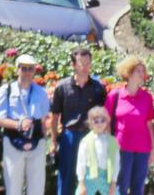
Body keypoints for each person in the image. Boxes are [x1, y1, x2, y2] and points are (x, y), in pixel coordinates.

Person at [0, 54, 51, 195]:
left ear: (34, 71)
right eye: (24, 69)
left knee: (37, 188)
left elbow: (43, 119)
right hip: (13, 140)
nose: (27, 72)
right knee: (13, 188)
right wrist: (18, 124)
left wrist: (44, 140)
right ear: (17, 70)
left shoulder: (41, 92)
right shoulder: (6, 90)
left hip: (36, 141)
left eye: (31, 69)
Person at [51, 47, 107, 195]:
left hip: (91, 136)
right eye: (82, 63)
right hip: (69, 136)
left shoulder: (98, 88)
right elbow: (55, 116)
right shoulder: (62, 87)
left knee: (90, 177)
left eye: (88, 63)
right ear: (73, 65)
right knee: (66, 175)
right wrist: (53, 141)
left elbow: (103, 114)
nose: (85, 67)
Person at [106, 57, 154, 195]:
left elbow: (149, 124)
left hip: (143, 149)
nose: (141, 74)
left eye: (143, 71)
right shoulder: (114, 95)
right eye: (137, 71)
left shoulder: (147, 97)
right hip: (121, 148)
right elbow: (106, 122)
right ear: (128, 73)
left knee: (137, 188)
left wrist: (153, 148)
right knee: (120, 186)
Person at [75, 106, 120, 195]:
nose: (99, 124)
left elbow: (116, 163)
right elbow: (81, 163)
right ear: (90, 123)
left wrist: (113, 183)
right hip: (89, 176)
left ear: (107, 122)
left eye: (102, 120)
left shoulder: (112, 141)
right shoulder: (85, 141)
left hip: (106, 176)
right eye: (96, 121)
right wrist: (81, 183)